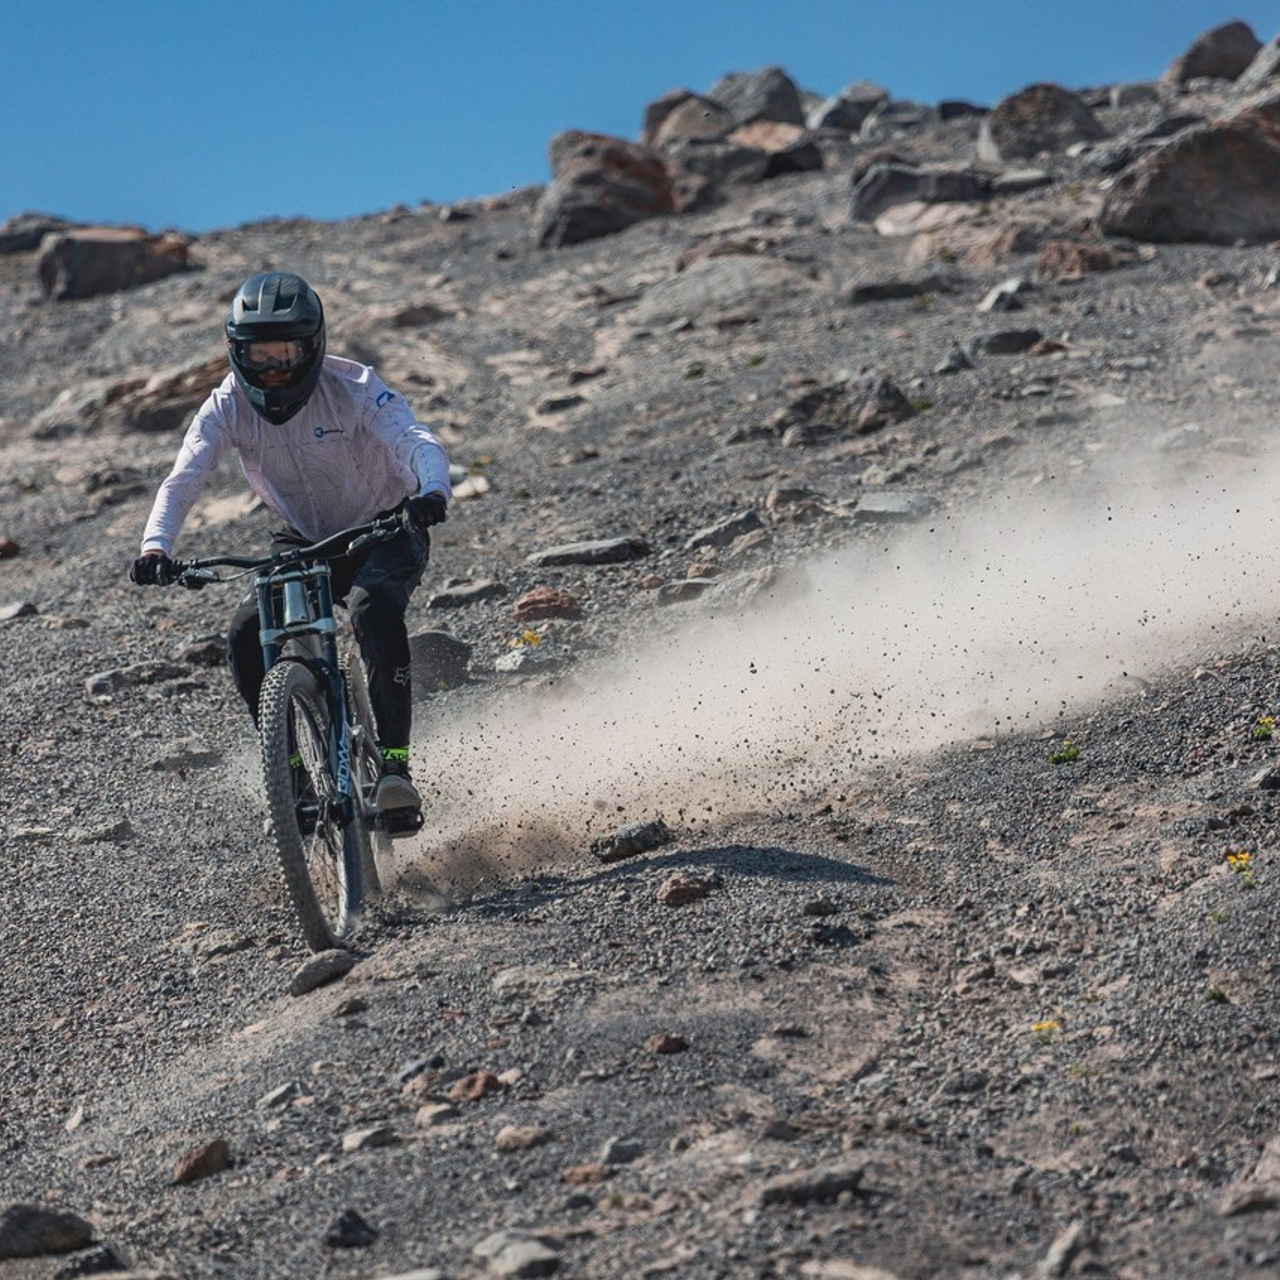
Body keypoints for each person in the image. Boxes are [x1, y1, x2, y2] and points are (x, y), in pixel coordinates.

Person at [128, 270, 451, 828]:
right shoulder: (224, 406)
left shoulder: (353, 385)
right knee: (246, 633)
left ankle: (396, 770)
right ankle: (293, 770)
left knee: (374, 608)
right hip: (303, 537)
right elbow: (184, 478)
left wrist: (432, 491)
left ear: (313, 346)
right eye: (260, 356)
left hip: (388, 522)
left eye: (287, 353)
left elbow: (414, 438)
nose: (274, 369)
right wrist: (156, 546)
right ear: (237, 353)